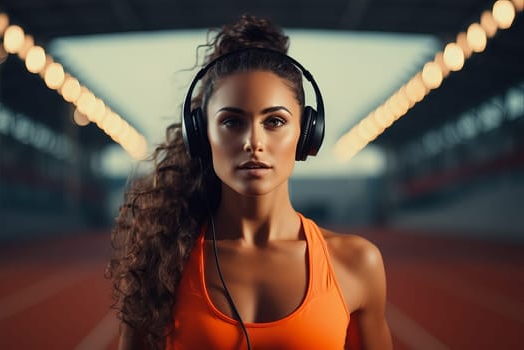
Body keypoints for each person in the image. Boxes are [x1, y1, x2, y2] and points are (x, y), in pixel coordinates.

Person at [107, 14, 392, 350]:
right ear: (200, 135)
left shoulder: (357, 263)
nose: (252, 142)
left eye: (274, 121)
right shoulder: (163, 263)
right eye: (231, 121)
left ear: (306, 133)